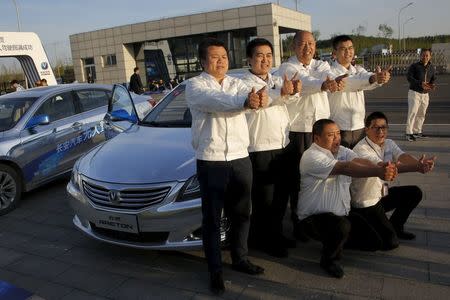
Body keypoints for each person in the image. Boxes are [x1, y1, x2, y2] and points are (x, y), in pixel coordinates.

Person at [186, 37, 266, 295]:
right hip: (211, 159)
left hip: (241, 157)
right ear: (202, 61)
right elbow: (215, 101)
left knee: (243, 212)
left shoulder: (237, 83)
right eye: (214, 57)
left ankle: (240, 258)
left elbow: (249, 96)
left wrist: (255, 99)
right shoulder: (195, 86)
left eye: (224, 57)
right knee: (212, 219)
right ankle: (215, 270)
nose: (220, 62)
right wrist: (244, 103)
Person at [296, 119, 397, 278]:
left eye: (338, 134)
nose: (337, 138)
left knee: (374, 242)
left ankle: (336, 241)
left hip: (341, 215)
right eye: (331, 135)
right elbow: (345, 168)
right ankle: (329, 259)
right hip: (312, 220)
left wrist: (379, 167)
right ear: (316, 139)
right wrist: (378, 173)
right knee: (342, 225)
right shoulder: (311, 156)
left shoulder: (342, 150)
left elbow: (359, 161)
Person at [277, 30, 345, 238]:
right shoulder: (287, 67)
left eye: (311, 43)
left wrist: (330, 81)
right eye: (302, 44)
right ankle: (298, 223)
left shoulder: (322, 65)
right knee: (297, 179)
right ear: (293, 46)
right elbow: (304, 82)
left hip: (321, 132)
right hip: (299, 131)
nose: (307, 48)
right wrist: (323, 84)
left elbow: (330, 75)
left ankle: (315, 220)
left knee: (319, 176)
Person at [240, 38, 301, 257]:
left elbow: (289, 101)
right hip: (259, 147)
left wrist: (293, 91)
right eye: (259, 55)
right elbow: (263, 101)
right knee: (263, 199)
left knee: (280, 197)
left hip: (282, 145)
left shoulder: (276, 80)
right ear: (249, 59)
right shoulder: (243, 84)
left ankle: (276, 233)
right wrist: (284, 94)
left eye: (268, 55)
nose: (265, 60)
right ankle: (263, 240)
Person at [351, 111, 436, 249]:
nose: (381, 131)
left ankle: (396, 227)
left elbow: (402, 156)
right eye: (376, 127)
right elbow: (384, 168)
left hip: (381, 196)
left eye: (384, 127)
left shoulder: (388, 143)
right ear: (366, 130)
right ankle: (355, 230)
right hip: (366, 203)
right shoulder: (361, 149)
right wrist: (416, 167)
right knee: (390, 243)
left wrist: (419, 164)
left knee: (414, 192)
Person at [328, 35, 392, 148]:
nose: (348, 52)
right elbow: (350, 82)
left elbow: (367, 80)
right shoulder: (330, 72)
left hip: (359, 127)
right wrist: (373, 78)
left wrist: (379, 78)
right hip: (339, 128)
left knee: (360, 162)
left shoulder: (358, 69)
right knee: (344, 164)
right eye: (343, 49)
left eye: (351, 48)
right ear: (334, 52)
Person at [405, 49, 436, 141]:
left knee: (422, 113)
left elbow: (433, 78)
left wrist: (432, 85)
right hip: (415, 93)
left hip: (425, 94)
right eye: (423, 55)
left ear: (430, 56)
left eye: (427, 55)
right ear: (420, 56)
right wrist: (420, 83)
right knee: (413, 113)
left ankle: (417, 131)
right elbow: (409, 78)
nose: (425, 57)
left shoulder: (431, 67)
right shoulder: (414, 66)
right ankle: (409, 132)